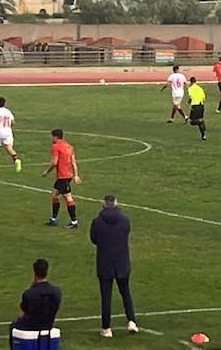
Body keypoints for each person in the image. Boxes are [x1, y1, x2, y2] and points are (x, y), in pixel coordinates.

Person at [90, 195, 139, 338]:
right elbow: (126, 233)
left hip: (105, 262)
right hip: (122, 261)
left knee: (106, 297)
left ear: (104, 205)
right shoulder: (124, 220)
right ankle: (131, 321)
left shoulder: (98, 222)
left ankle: (106, 328)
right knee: (126, 293)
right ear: (116, 204)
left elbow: (94, 239)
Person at [9, 259, 61, 350]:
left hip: (30, 326)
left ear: (34, 272)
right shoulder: (57, 292)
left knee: (13, 326)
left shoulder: (29, 293)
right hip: (48, 325)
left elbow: (21, 314)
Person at [42, 129, 81, 228]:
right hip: (67, 176)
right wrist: (76, 175)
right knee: (55, 195)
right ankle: (53, 219)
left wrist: (47, 171)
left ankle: (74, 221)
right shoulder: (69, 146)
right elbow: (73, 162)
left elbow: (54, 162)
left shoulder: (56, 146)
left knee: (68, 197)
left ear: (55, 137)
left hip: (63, 176)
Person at [0, 97, 22, 173]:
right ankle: (16, 160)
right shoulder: (8, 112)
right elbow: (13, 122)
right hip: (8, 131)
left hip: (0, 131)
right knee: (9, 148)